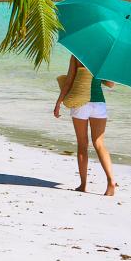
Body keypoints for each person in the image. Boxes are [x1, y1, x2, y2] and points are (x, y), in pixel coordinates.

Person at [51, 56, 119, 195]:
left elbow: (69, 82)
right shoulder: (104, 57)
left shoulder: (77, 55)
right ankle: (111, 180)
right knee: (99, 143)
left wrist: (58, 103)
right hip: (99, 103)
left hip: (80, 105)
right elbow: (111, 84)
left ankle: (83, 185)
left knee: (82, 144)